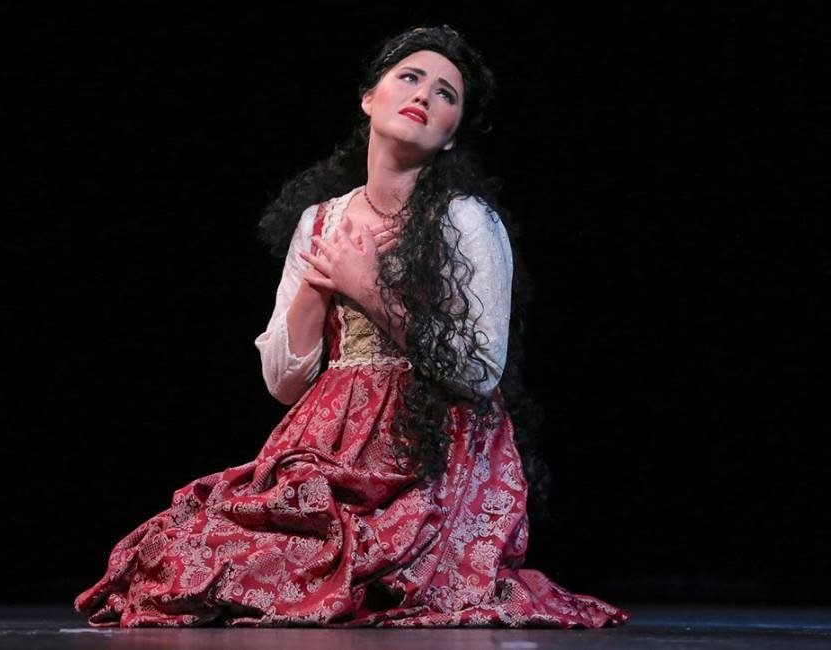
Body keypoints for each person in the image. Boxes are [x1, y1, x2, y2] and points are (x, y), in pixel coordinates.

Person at [73, 24, 631, 629]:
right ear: (370, 97)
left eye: (447, 93)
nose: (425, 95)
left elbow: (477, 370)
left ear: (451, 136)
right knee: (196, 559)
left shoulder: (465, 221)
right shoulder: (320, 222)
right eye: (410, 78)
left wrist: (367, 287)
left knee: (366, 574)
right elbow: (284, 384)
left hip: (431, 451)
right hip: (326, 440)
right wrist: (320, 280)